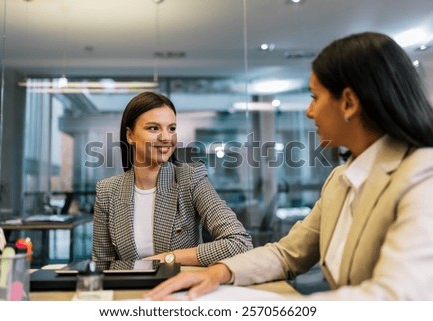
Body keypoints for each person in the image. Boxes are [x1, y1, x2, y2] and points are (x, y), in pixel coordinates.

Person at [145, 32, 433, 300]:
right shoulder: (341, 179)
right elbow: (287, 254)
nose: (309, 112)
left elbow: (394, 297)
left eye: (314, 97)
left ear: (348, 103)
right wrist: (219, 272)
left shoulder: (422, 175)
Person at [92, 92, 253, 270]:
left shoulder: (190, 179)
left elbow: (239, 243)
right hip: (131, 293)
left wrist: (167, 258)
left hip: (182, 291)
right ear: (130, 136)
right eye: (153, 128)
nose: (166, 138)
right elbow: (102, 266)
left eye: (171, 128)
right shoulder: (107, 191)